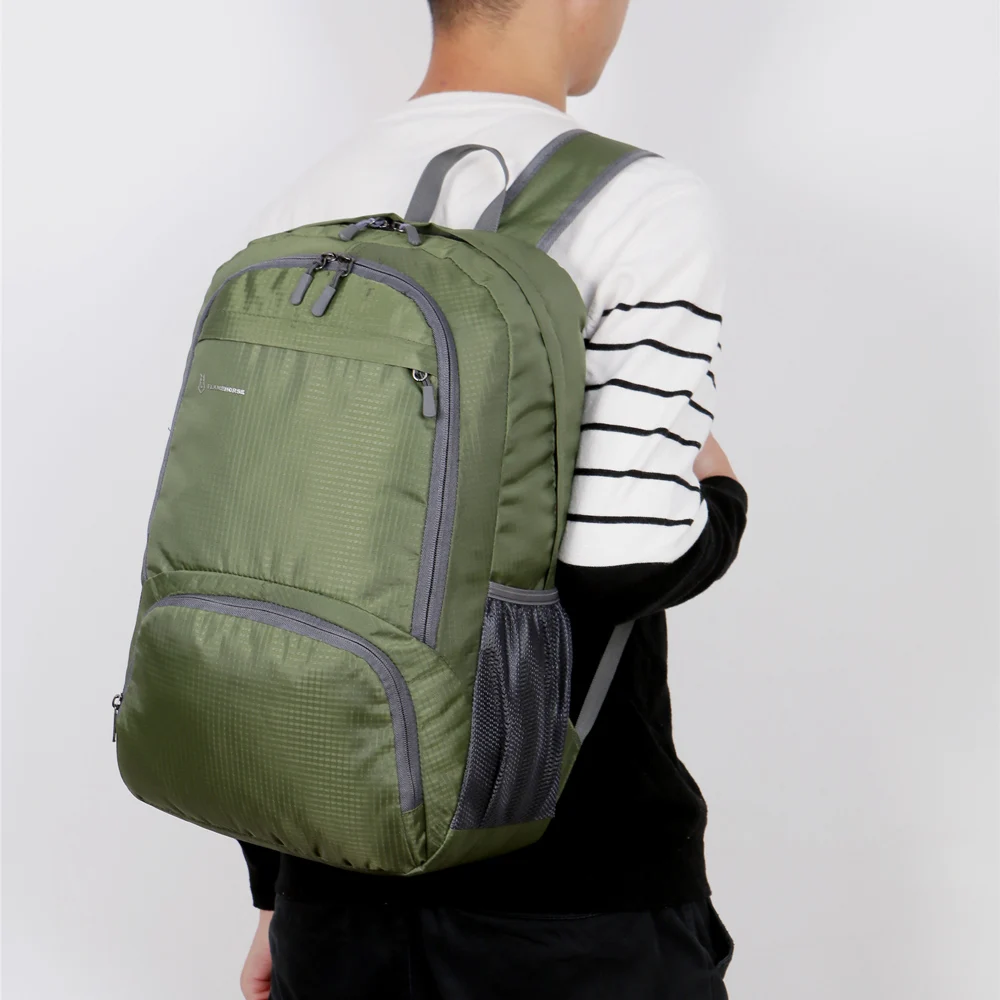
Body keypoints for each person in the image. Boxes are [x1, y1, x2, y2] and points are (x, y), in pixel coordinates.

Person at [236, 1, 748, 997]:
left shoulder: (305, 202)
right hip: (571, 895)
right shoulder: (638, 202)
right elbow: (620, 565)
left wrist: (275, 891)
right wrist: (721, 487)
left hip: (333, 879)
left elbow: (275, 567)